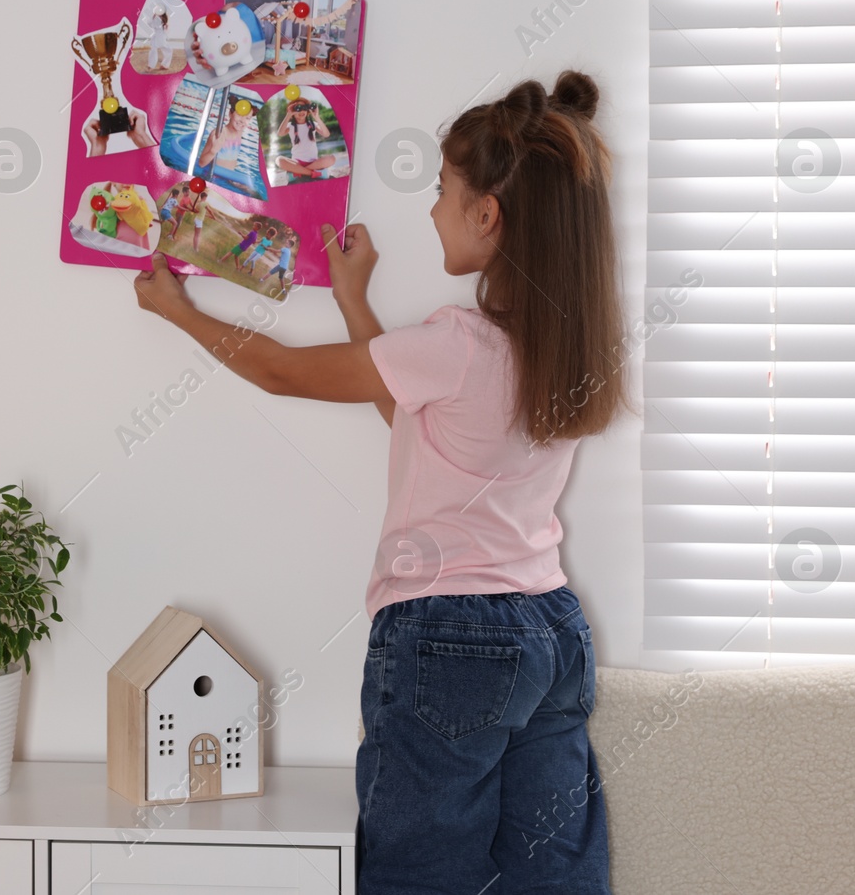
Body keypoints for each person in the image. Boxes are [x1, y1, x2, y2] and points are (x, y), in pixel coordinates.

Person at [132, 71, 625, 894]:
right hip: (550, 628)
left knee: (420, 875)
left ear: (487, 215)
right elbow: (420, 424)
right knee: (552, 878)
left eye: (442, 190)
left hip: (448, 637)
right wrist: (355, 299)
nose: (433, 208)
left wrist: (181, 312)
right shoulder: (559, 350)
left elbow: (286, 373)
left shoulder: (461, 342)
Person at [274, 99, 335, 182]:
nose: (301, 111)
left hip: (313, 163)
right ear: (292, 112)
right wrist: (288, 115)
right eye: (298, 108)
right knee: (279, 160)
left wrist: (316, 117)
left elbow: (326, 134)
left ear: (308, 111)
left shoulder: (312, 124)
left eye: (304, 108)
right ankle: (313, 173)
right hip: (296, 163)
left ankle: (300, 172)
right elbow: (280, 133)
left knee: (331, 158)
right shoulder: (290, 126)